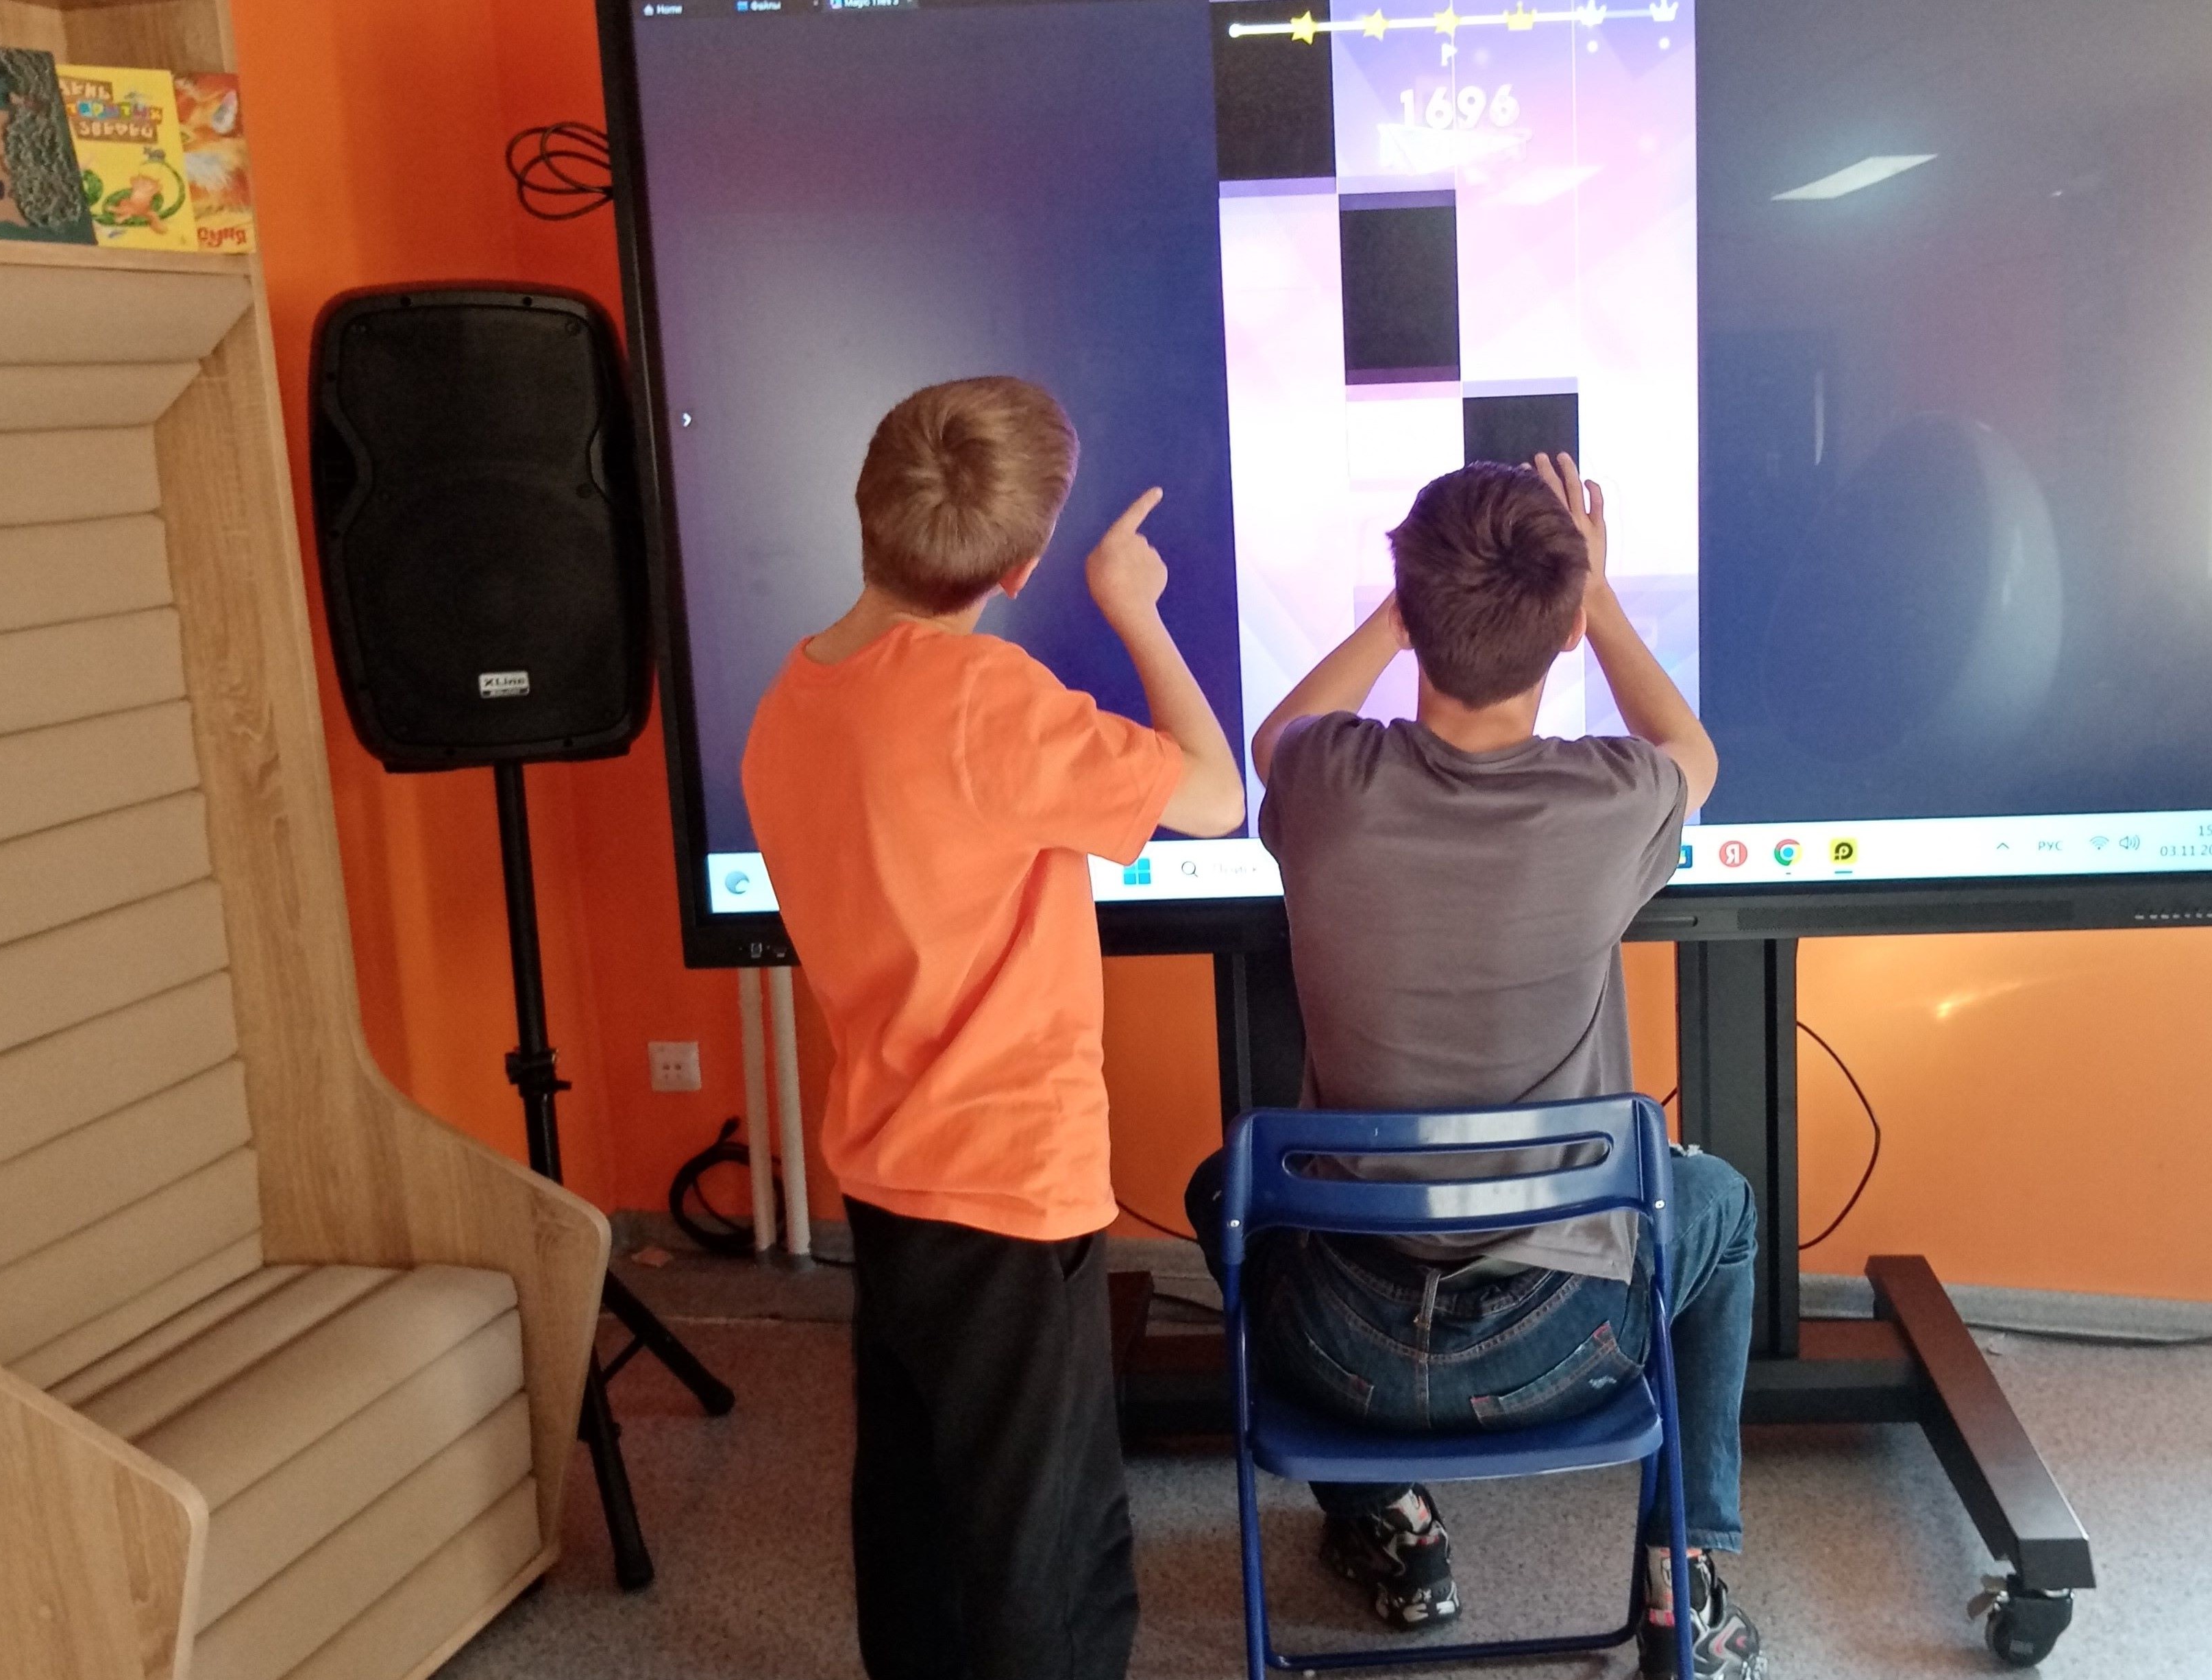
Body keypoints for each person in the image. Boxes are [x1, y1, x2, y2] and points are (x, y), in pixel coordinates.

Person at [1184, 454, 1767, 1680]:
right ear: (1562, 627)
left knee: (1217, 1187)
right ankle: (1682, 1580)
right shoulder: (1615, 796)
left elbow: (1272, 734)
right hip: (1562, 1347)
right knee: (1718, 1203)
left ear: (1407, 608)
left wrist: (1401, 611)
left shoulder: (1328, 780)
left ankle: (1392, 1530)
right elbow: (1691, 750)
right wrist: (1598, 602)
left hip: (1336, 1350)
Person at [744, 375, 1244, 1680]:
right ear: (1020, 566)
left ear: (869, 507)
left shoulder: (792, 697)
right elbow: (1212, 796)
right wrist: (1132, 606)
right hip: (1010, 1183)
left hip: (887, 1169)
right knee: (1046, 1540)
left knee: (916, 1504)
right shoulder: (982, 699)